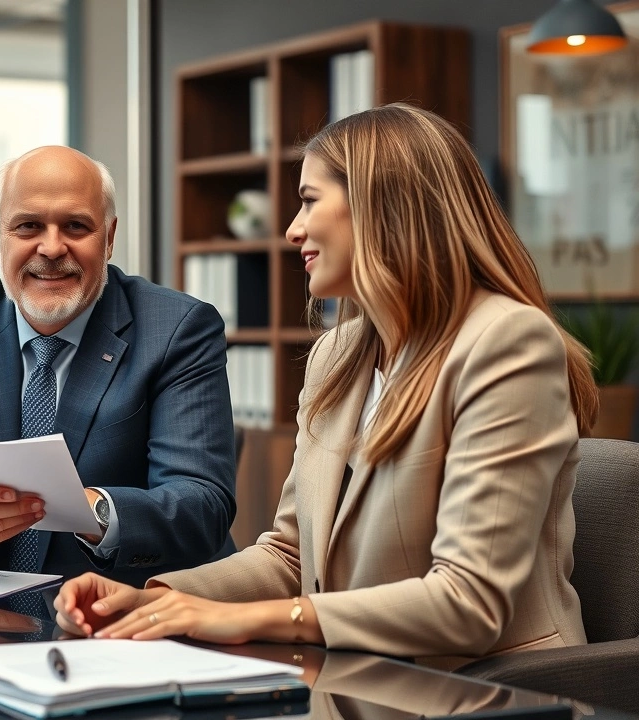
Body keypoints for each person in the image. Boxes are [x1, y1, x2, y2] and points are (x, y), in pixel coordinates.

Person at [54, 103, 596, 670]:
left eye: (310, 200)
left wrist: (251, 618)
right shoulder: (337, 356)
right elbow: (289, 555)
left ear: (380, 204)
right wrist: (158, 602)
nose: (292, 229)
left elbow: (469, 602)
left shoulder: (506, 341)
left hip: (494, 690)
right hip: (361, 681)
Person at [0, 146, 237, 588]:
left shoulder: (176, 329)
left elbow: (202, 506)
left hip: (124, 620)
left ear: (109, 239)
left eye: (76, 226)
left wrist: (91, 509)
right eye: (28, 226)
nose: (52, 248)